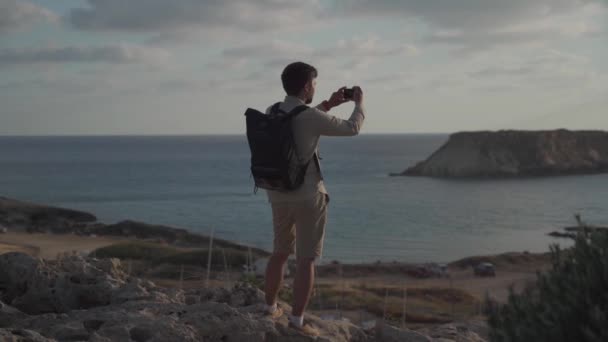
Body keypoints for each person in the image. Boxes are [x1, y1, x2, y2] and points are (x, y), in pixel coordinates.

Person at [263, 61, 365, 337]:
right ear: (307, 86)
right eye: (314, 84)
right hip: (308, 195)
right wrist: (358, 103)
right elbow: (351, 128)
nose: (314, 88)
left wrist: (328, 105)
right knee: (306, 260)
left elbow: (300, 122)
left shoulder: (272, 111)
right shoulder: (309, 117)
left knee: (279, 252)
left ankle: (269, 307)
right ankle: (296, 321)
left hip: (277, 192)